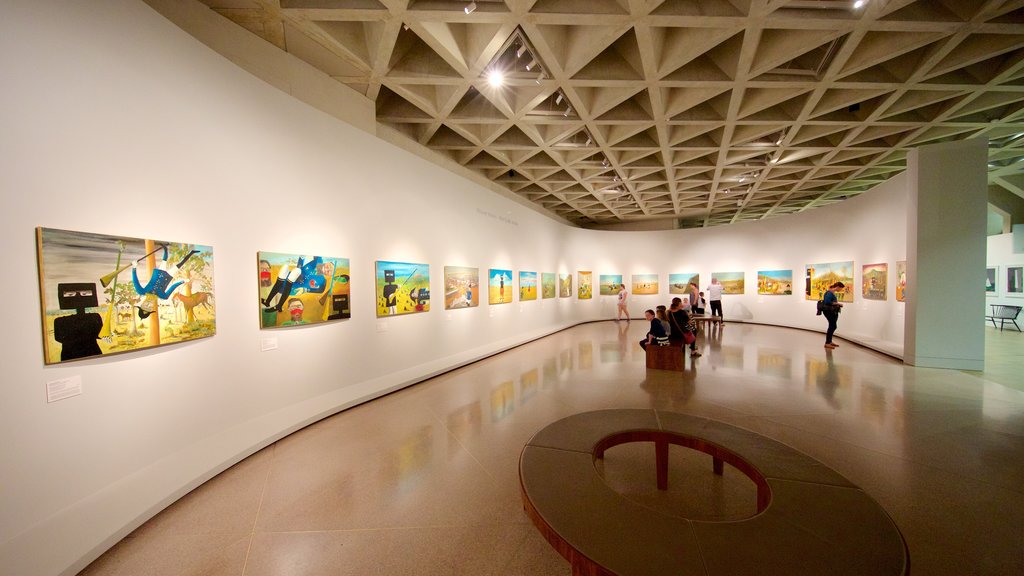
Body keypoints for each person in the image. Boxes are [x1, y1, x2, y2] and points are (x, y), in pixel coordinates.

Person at [819, 281, 845, 349]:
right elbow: (827, 302)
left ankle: (829, 341)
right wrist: (837, 304)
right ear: (838, 287)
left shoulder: (831, 292)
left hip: (831, 312)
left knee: (832, 326)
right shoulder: (830, 293)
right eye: (841, 288)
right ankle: (827, 343)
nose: (841, 290)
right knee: (832, 326)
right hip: (829, 312)